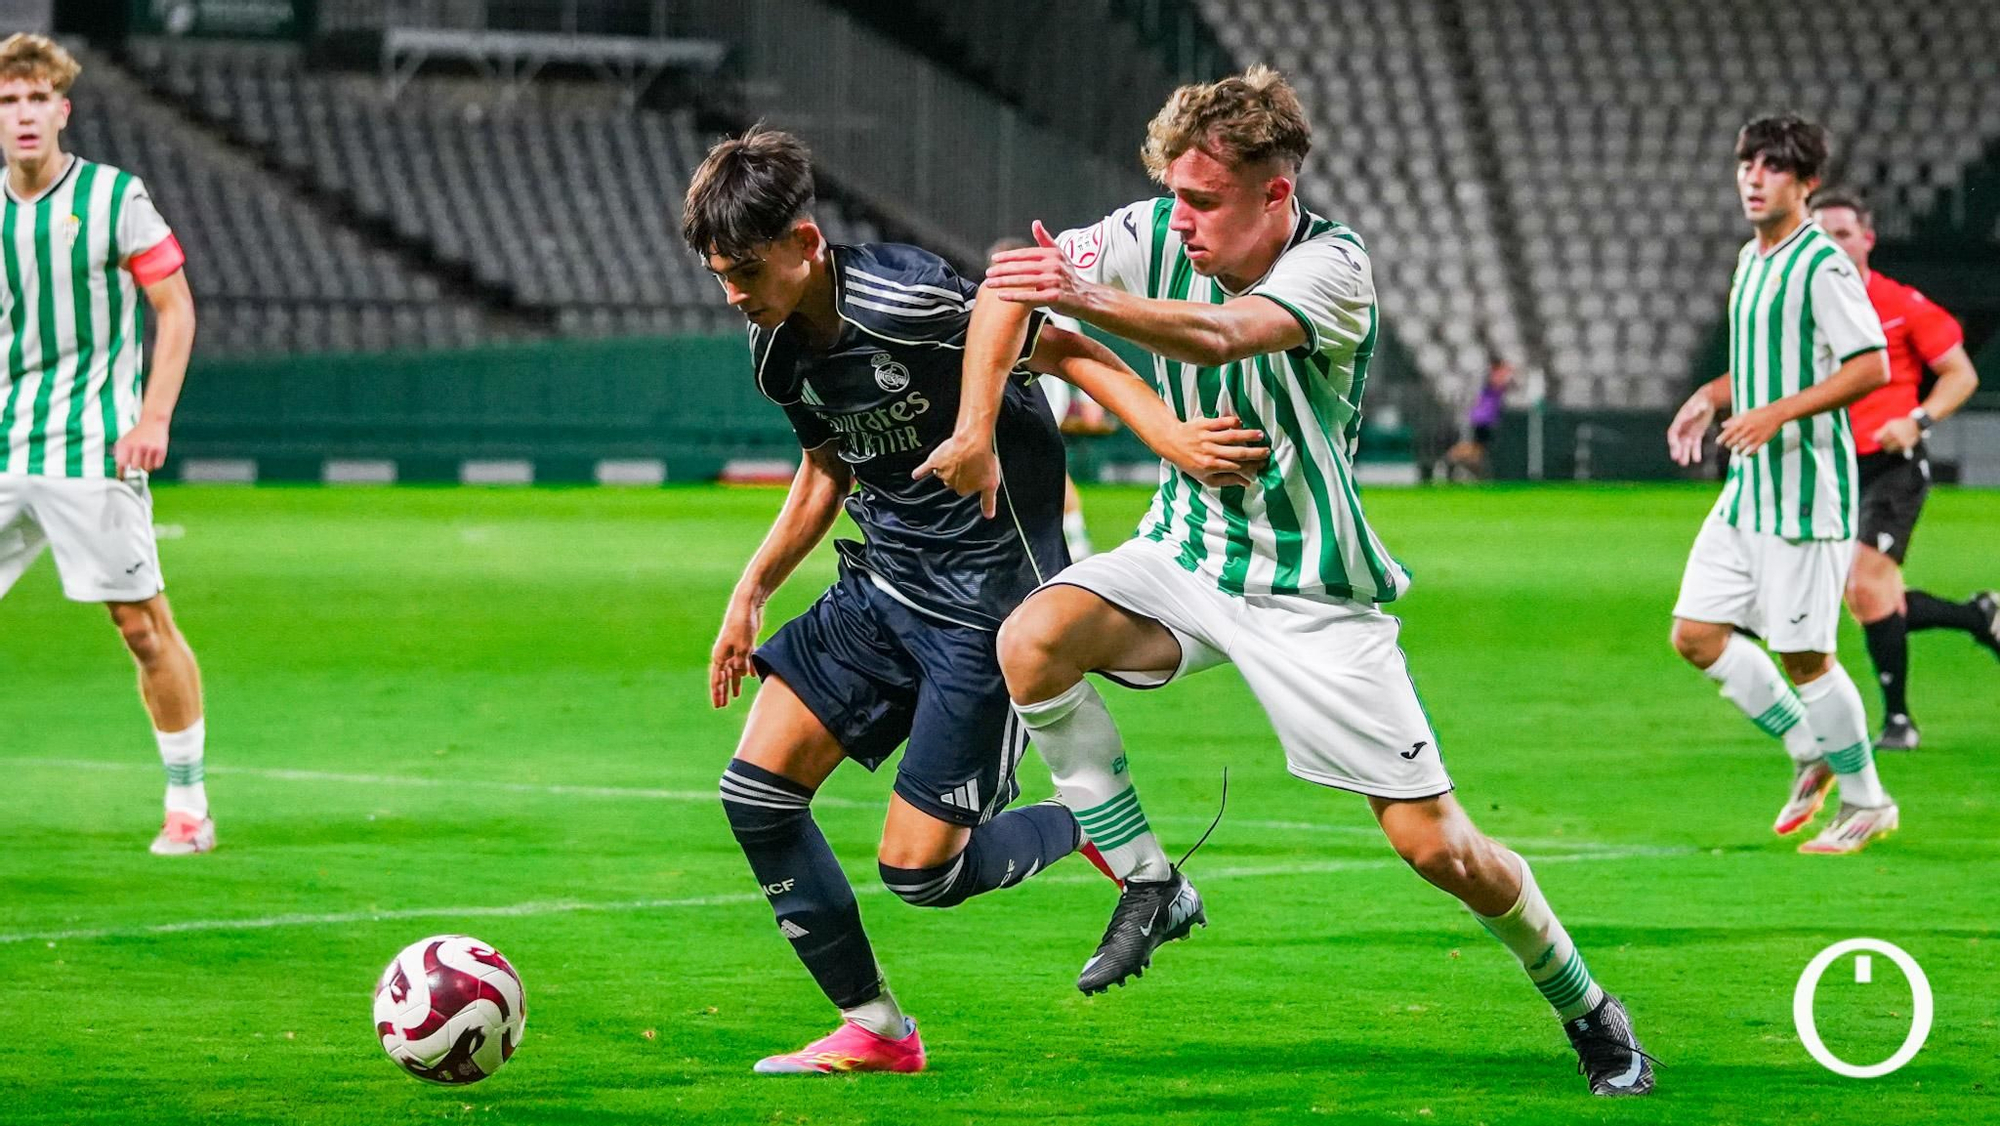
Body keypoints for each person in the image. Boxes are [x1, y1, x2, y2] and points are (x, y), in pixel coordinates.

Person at [974, 66, 1653, 1096]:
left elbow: (1221, 334)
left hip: (1309, 588)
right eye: (1173, 195)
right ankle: (1150, 882)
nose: (1180, 219)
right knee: (1031, 640)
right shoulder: (1153, 230)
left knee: (1437, 849)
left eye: (1204, 201)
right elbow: (1004, 288)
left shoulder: (1335, 266)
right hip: (1185, 554)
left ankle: (1588, 1007)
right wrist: (975, 428)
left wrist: (1083, 297)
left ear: (1274, 194)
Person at [688, 127, 1266, 1075]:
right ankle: (876, 1030)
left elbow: (1065, 348)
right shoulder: (774, 348)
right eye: (719, 277)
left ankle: (1094, 827)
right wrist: (749, 592)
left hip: (986, 612)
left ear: (805, 242)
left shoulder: (908, 300)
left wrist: (1171, 440)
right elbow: (826, 469)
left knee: (922, 875)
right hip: (880, 587)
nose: (734, 296)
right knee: (755, 797)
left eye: (746, 271)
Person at [0, 34, 209, 855]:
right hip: (4, 444)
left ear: (62, 111)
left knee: (142, 627)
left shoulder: (115, 198)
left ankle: (188, 805)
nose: (23, 114)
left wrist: (152, 418)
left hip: (91, 447)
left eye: (35, 99)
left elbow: (176, 308)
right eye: (8, 101)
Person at [1665, 115, 1896, 854]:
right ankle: (1809, 748)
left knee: (1805, 658)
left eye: (1773, 167)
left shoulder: (1821, 265)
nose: (1754, 179)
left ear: (1807, 183)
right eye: (1747, 165)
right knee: (1696, 634)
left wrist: (1776, 413)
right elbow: (1763, 365)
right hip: (1747, 493)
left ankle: (1867, 800)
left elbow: (1871, 365)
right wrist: (1710, 396)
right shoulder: (1752, 259)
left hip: (1804, 495)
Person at [1808, 189, 1996, 751]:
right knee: (1869, 597)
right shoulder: (1803, 309)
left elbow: (1961, 374)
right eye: (1820, 236)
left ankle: (1898, 722)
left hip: (1892, 463)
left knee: (1864, 584)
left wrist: (1917, 420)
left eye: (1843, 233)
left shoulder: (1899, 303)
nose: (1833, 245)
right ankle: (1979, 616)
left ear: (1867, 239)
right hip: (1833, 466)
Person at [989, 235, 1116, 560]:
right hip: (1007, 397)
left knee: (1042, 465)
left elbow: (1080, 353)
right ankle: (1061, 539)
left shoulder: (1050, 306)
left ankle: (1074, 541)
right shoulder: (990, 302)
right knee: (1028, 468)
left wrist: (1090, 404)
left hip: (1043, 396)